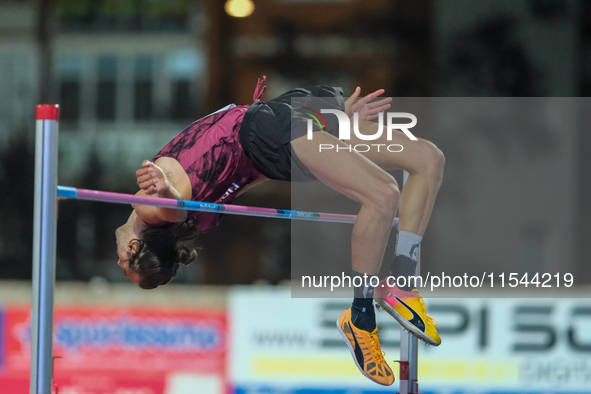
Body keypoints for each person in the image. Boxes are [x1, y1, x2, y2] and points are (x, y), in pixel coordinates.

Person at [114, 77, 444, 386]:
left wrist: (329, 122)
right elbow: (173, 207)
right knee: (384, 193)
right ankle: (361, 316)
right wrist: (167, 189)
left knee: (428, 159)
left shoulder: (195, 219)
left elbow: (246, 169)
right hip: (271, 131)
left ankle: (401, 279)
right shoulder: (152, 208)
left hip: (274, 125)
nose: (118, 265)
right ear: (134, 248)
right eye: (126, 268)